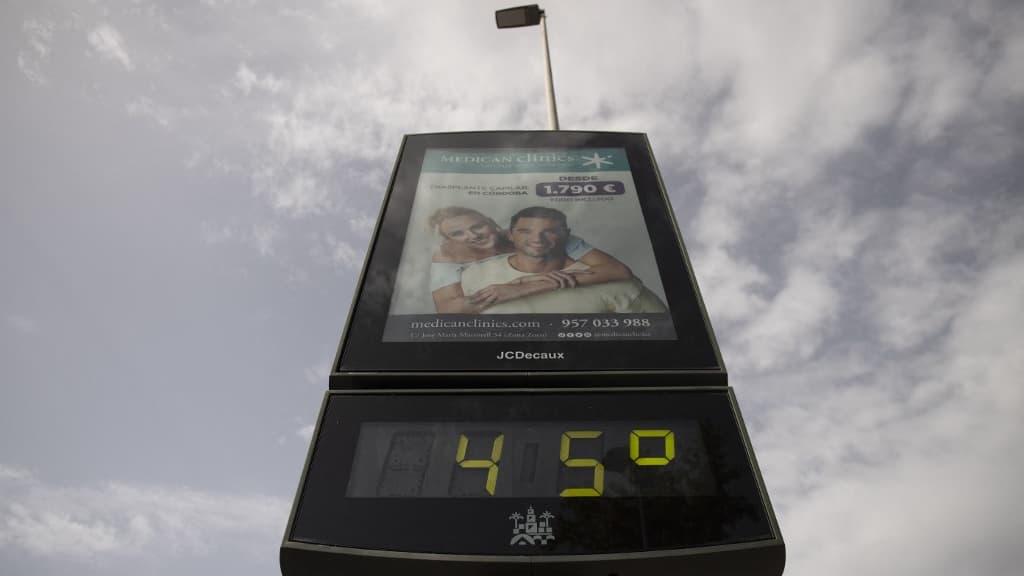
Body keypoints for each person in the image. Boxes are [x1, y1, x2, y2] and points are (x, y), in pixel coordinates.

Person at [460, 206, 668, 314]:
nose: (536, 239)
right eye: (525, 231)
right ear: (511, 235)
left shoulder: (619, 285)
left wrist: (526, 287)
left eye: (548, 231)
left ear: (566, 234)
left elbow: (664, 339)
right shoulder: (475, 275)